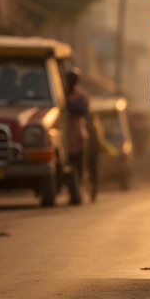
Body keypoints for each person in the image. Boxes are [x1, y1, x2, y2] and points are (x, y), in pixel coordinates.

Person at [65, 68, 88, 205]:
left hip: (78, 135)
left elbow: (82, 110)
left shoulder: (80, 95)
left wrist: (69, 105)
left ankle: (78, 193)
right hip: (66, 136)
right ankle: (72, 193)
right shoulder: (62, 94)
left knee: (78, 166)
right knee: (68, 166)